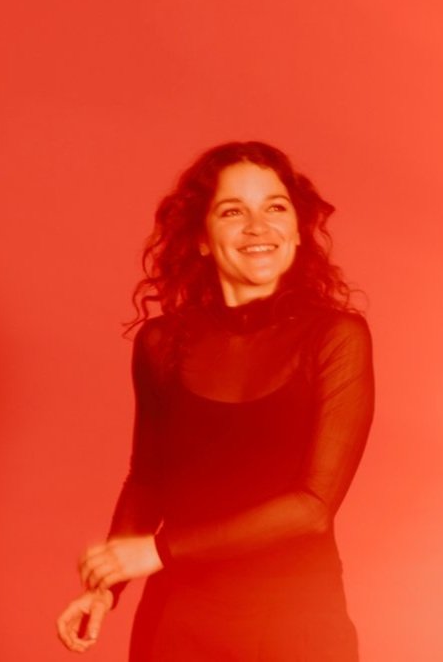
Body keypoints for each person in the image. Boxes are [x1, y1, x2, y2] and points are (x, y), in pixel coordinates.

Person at [56, 141, 375, 660]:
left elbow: (312, 508)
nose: (258, 227)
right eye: (233, 211)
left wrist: (158, 550)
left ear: (298, 230)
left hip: (298, 627)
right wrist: (106, 589)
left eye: (275, 208)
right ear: (202, 239)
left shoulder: (336, 338)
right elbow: (148, 478)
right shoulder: (162, 344)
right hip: (178, 624)